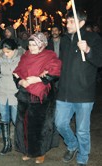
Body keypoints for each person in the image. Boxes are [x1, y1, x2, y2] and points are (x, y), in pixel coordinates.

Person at [55, 9, 102, 166]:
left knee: (82, 130)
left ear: (81, 23)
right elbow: (61, 64)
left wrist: (88, 50)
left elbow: (100, 61)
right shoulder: (65, 40)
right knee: (60, 123)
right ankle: (72, 145)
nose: (67, 24)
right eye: (67, 21)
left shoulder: (93, 38)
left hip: (84, 94)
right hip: (64, 93)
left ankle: (83, 155)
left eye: (71, 21)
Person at [13, 32, 61, 164]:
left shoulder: (49, 56)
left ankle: (40, 151)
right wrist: (20, 82)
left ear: (41, 45)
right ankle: (27, 150)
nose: (31, 47)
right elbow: (17, 72)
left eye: (35, 44)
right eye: (30, 44)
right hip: (24, 95)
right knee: (23, 124)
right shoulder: (25, 56)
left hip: (41, 97)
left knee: (40, 125)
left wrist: (38, 79)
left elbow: (54, 73)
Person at [0, 38, 24, 155]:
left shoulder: (21, 58)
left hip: (15, 91)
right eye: (4, 52)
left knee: (16, 119)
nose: (6, 54)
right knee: (4, 118)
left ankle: (20, 143)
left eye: (8, 52)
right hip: (2, 90)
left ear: (15, 49)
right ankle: (7, 144)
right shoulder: (0, 57)